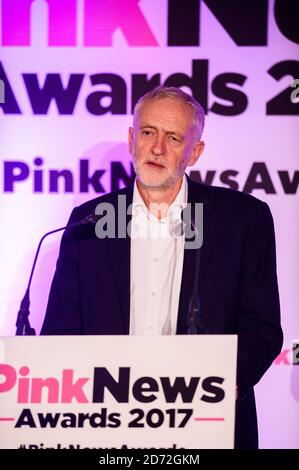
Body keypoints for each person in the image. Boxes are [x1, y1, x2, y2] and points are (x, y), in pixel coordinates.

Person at [41, 86, 283, 449]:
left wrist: (220, 382)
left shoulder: (243, 220)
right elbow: (60, 333)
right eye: (148, 132)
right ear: (131, 138)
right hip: (106, 428)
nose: (157, 148)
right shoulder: (87, 222)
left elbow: (261, 327)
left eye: (173, 137)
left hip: (207, 425)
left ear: (195, 152)